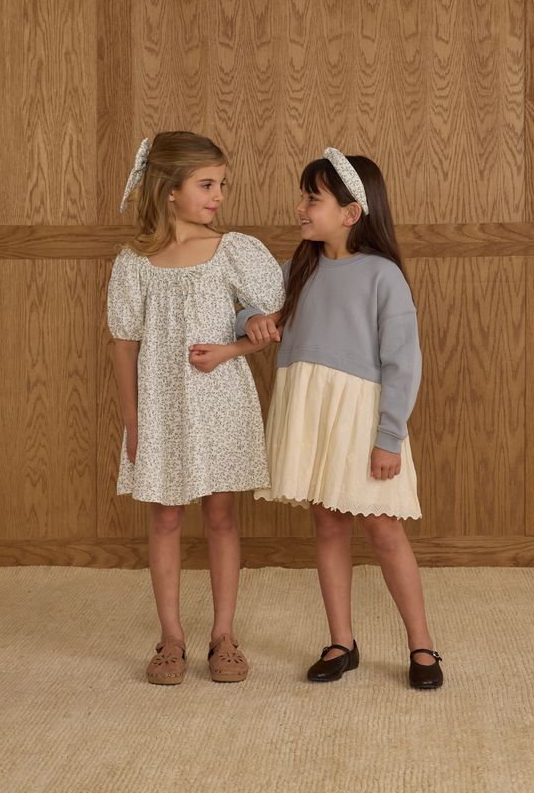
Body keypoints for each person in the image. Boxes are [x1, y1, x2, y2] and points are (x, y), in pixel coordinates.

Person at [236, 148, 443, 689]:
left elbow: (403, 362)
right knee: (327, 522)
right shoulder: (298, 269)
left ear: (351, 213)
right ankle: (341, 640)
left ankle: (421, 644)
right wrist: (251, 318)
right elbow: (246, 305)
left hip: (360, 415)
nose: (301, 207)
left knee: (382, 527)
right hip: (310, 408)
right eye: (303, 196)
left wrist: (389, 437)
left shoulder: (383, 276)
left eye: (313, 198)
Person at [107, 131, 284, 685]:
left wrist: (237, 339)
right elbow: (123, 343)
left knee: (221, 514)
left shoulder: (233, 251)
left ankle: (223, 634)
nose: (218, 196)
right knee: (164, 516)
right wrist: (133, 422)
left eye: (222, 185)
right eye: (206, 184)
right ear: (169, 191)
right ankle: (171, 638)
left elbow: (266, 321)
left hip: (220, 400)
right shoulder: (136, 262)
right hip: (159, 406)